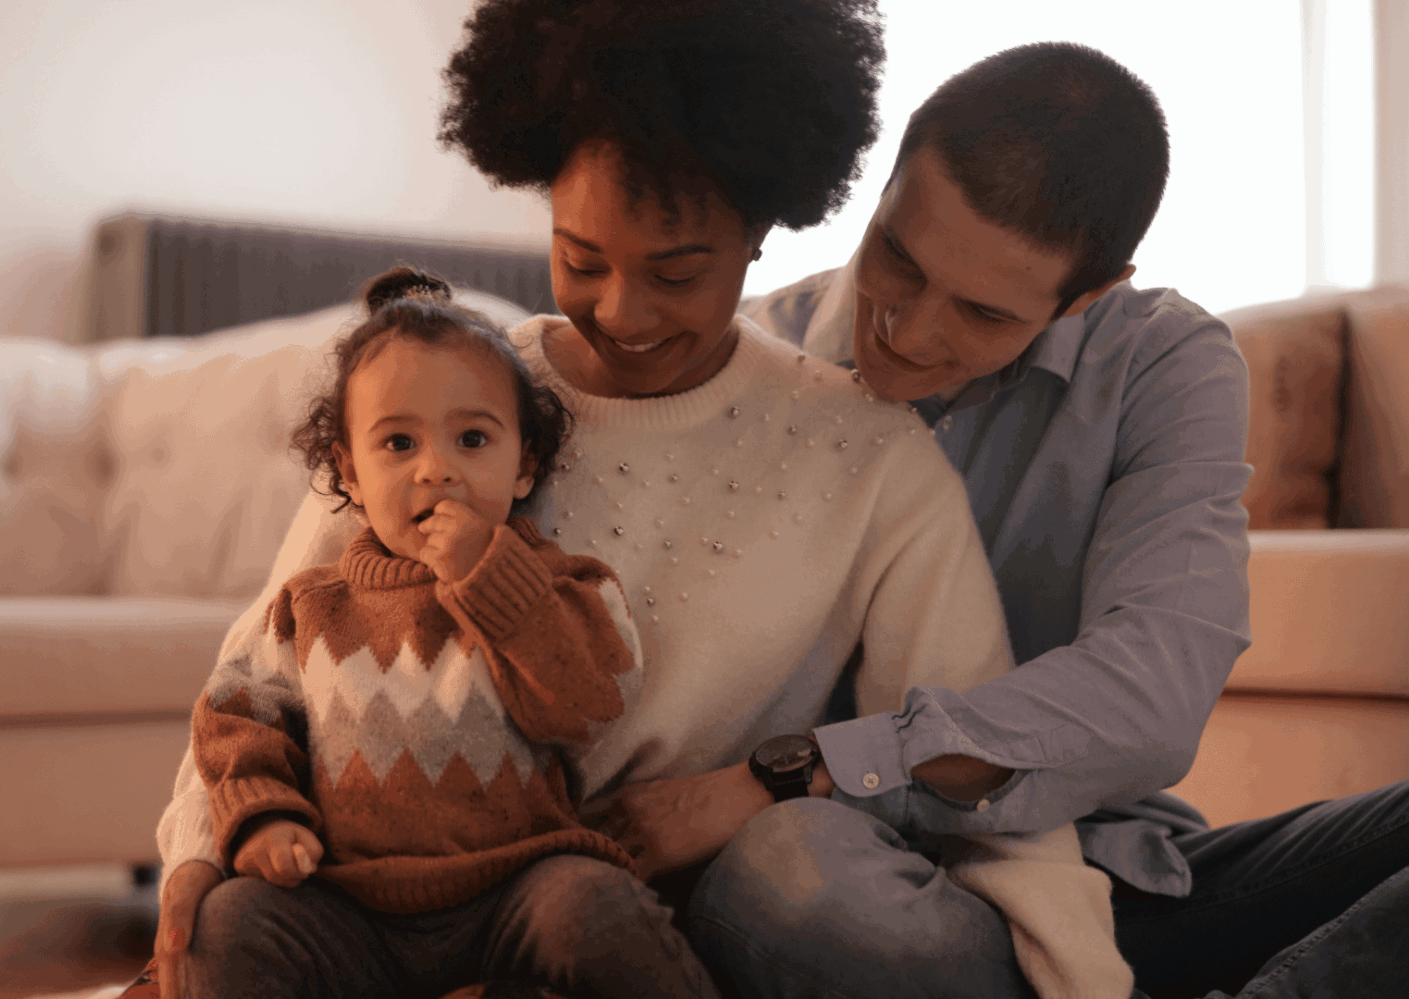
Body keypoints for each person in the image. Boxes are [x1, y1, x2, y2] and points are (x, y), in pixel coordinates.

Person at [145, 4, 1139, 998]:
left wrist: (1081, 974)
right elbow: (269, 660)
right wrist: (200, 854)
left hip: (626, 927)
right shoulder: (454, 399)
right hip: (374, 897)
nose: (621, 311)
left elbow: (961, 751)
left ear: (757, 232)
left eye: (678, 271)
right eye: (581, 260)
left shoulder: (872, 457)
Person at [657, 41, 1409, 999]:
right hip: (854, 892)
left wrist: (812, 766)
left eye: (981, 312)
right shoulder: (736, 362)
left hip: (1115, 881)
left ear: (1086, 296)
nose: (912, 331)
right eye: (899, 255)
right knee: (787, 873)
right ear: (883, 187)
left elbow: (1152, 690)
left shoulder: (1160, 361)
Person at [153, 264, 720, 999]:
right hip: (348, 906)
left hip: (517, 889)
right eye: (398, 445)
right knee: (230, 921)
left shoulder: (562, 585)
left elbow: (593, 702)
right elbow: (236, 719)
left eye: (473, 439)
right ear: (348, 475)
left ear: (526, 465)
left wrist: (488, 576)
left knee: (597, 907)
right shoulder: (311, 605)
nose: (437, 471)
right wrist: (261, 818)